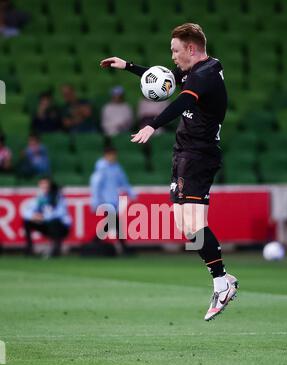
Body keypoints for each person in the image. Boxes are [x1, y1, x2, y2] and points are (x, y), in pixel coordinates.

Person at [100, 23, 239, 321]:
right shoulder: (195, 70)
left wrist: (152, 124)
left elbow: (182, 100)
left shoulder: (206, 76)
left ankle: (221, 282)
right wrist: (128, 66)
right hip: (184, 153)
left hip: (199, 155)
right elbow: (164, 79)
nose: (172, 56)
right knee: (186, 226)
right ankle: (223, 279)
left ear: (191, 48)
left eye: (175, 51)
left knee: (193, 224)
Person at [90, 144, 135, 255]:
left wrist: (131, 193)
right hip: (104, 202)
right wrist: (96, 201)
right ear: (106, 155)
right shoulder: (101, 168)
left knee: (111, 223)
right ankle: (124, 248)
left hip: (113, 201)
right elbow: (96, 186)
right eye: (111, 155)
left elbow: (123, 181)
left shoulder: (116, 167)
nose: (113, 157)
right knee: (115, 223)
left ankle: (94, 242)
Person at [22, 176, 71, 257]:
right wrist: (33, 216)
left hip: (62, 227)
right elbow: (27, 212)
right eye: (42, 185)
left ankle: (56, 249)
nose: (44, 187)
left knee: (54, 222)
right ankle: (29, 249)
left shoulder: (57, 197)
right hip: (47, 225)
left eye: (46, 185)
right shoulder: (40, 198)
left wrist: (43, 217)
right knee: (27, 222)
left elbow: (60, 213)